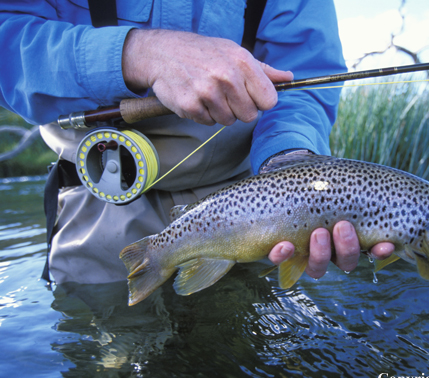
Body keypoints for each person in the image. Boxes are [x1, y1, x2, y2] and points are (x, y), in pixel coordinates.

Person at [0, 0, 394, 288]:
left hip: (251, 204)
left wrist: (288, 163)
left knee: (236, 360)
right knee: (108, 364)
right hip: (98, 194)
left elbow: (303, 82)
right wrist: (135, 53)